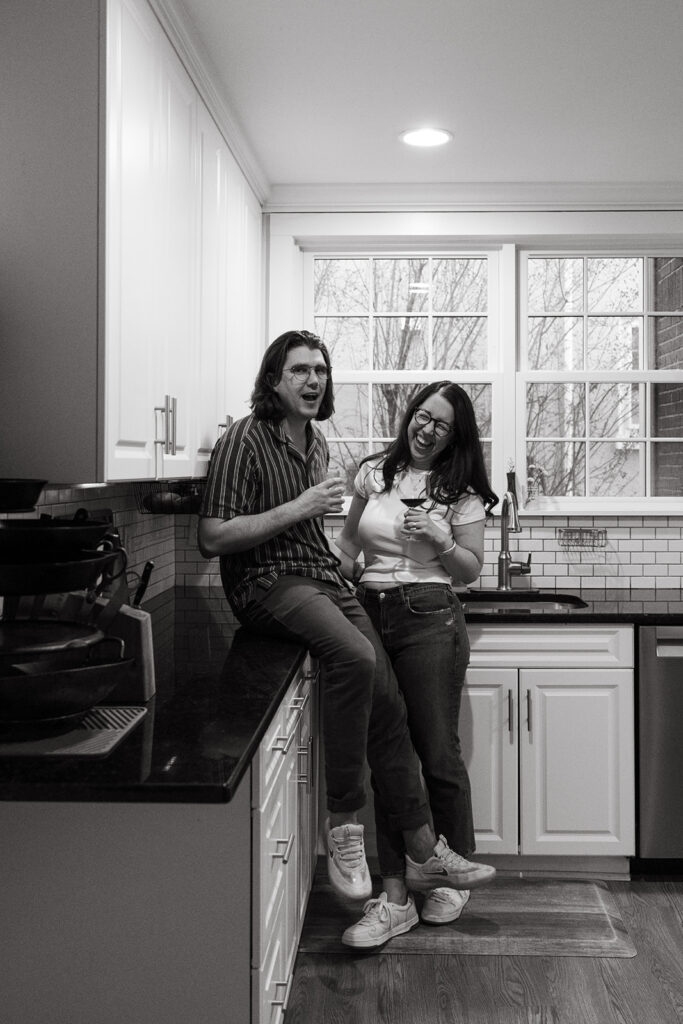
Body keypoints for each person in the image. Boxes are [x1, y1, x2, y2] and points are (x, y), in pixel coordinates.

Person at [198, 331, 493, 923]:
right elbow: (212, 537)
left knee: (401, 716)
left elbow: (465, 569)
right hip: (275, 583)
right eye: (301, 370)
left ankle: (420, 852)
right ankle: (344, 826)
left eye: (322, 371)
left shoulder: (315, 442)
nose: (314, 380)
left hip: (368, 596)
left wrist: (423, 544)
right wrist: (309, 512)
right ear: (274, 379)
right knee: (359, 662)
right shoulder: (245, 439)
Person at [335, 380, 498, 948]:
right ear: (410, 416)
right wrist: (328, 579)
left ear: (456, 435)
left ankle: (452, 878)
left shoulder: (462, 492)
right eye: (422, 417)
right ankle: (396, 893)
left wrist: (441, 538)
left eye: (441, 425)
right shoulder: (374, 471)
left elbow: (471, 569)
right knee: (387, 753)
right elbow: (349, 545)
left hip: (430, 616)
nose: (426, 430)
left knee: (436, 750)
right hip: (368, 614)